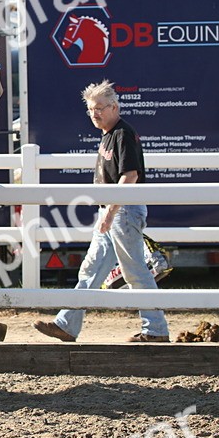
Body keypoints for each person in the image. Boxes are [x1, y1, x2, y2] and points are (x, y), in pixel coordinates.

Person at [34, 80, 170, 343]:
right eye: (91, 110)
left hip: (122, 210)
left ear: (114, 107)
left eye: (99, 109)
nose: (94, 114)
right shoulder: (110, 134)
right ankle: (67, 324)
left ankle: (156, 330)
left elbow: (129, 176)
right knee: (91, 268)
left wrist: (109, 212)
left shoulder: (122, 134)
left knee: (134, 270)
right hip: (115, 211)